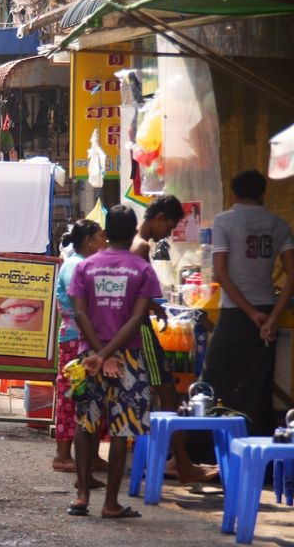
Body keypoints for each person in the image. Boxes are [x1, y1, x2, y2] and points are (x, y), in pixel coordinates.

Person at [68, 204, 159, 519]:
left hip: (88, 356)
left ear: (106, 232)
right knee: (122, 429)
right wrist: (109, 355)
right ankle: (110, 504)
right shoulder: (142, 269)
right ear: (133, 232)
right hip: (128, 358)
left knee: (85, 422)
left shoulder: (85, 267)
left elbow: (80, 313)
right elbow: (137, 318)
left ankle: (82, 495)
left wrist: (98, 353)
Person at [132, 195, 217, 483]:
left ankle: (178, 461)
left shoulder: (136, 243)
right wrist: (153, 305)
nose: (168, 233)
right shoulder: (142, 247)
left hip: (139, 327)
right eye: (169, 226)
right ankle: (182, 464)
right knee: (168, 393)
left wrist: (154, 306)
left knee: (165, 394)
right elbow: (136, 294)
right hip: (141, 331)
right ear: (159, 219)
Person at [203, 170, 294, 436]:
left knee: (214, 378)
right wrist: (271, 318)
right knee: (258, 384)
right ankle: (257, 444)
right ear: (263, 194)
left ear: (233, 194)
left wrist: (251, 313)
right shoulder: (278, 224)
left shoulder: (223, 221)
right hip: (267, 312)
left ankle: (208, 447)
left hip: (235, 313)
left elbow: (221, 273)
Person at [52, 219, 108, 478]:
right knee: (72, 395)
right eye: (101, 237)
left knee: (91, 395)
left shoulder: (80, 264)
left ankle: (91, 455)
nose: (104, 242)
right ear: (88, 241)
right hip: (77, 339)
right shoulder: (76, 266)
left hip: (82, 337)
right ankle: (63, 455)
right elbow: (81, 309)